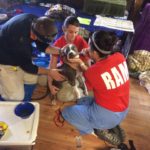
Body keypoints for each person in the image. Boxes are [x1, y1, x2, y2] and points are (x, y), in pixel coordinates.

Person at [61, 30, 130, 144]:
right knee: (81, 101)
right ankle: (110, 124)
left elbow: (85, 83)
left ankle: (96, 130)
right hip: (123, 108)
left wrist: (79, 63)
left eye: (89, 47)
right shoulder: (120, 57)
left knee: (67, 112)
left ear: (95, 53)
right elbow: (100, 68)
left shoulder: (93, 72)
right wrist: (89, 54)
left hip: (108, 114)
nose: (87, 48)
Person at [0, 13, 59, 101]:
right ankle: (6, 99)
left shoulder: (37, 22)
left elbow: (41, 44)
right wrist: (49, 72)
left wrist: (61, 51)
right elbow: (28, 66)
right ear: (34, 35)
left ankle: (25, 102)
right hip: (4, 61)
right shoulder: (20, 39)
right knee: (16, 97)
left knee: (32, 78)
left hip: (15, 55)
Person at [48, 16, 90, 96]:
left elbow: (88, 68)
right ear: (64, 29)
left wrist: (79, 64)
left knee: (63, 96)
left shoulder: (81, 41)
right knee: (46, 78)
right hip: (65, 70)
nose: (73, 35)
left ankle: (77, 88)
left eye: (76, 32)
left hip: (79, 72)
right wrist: (50, 85)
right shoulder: (58, 44)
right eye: (70, 32)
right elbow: (52, 66)